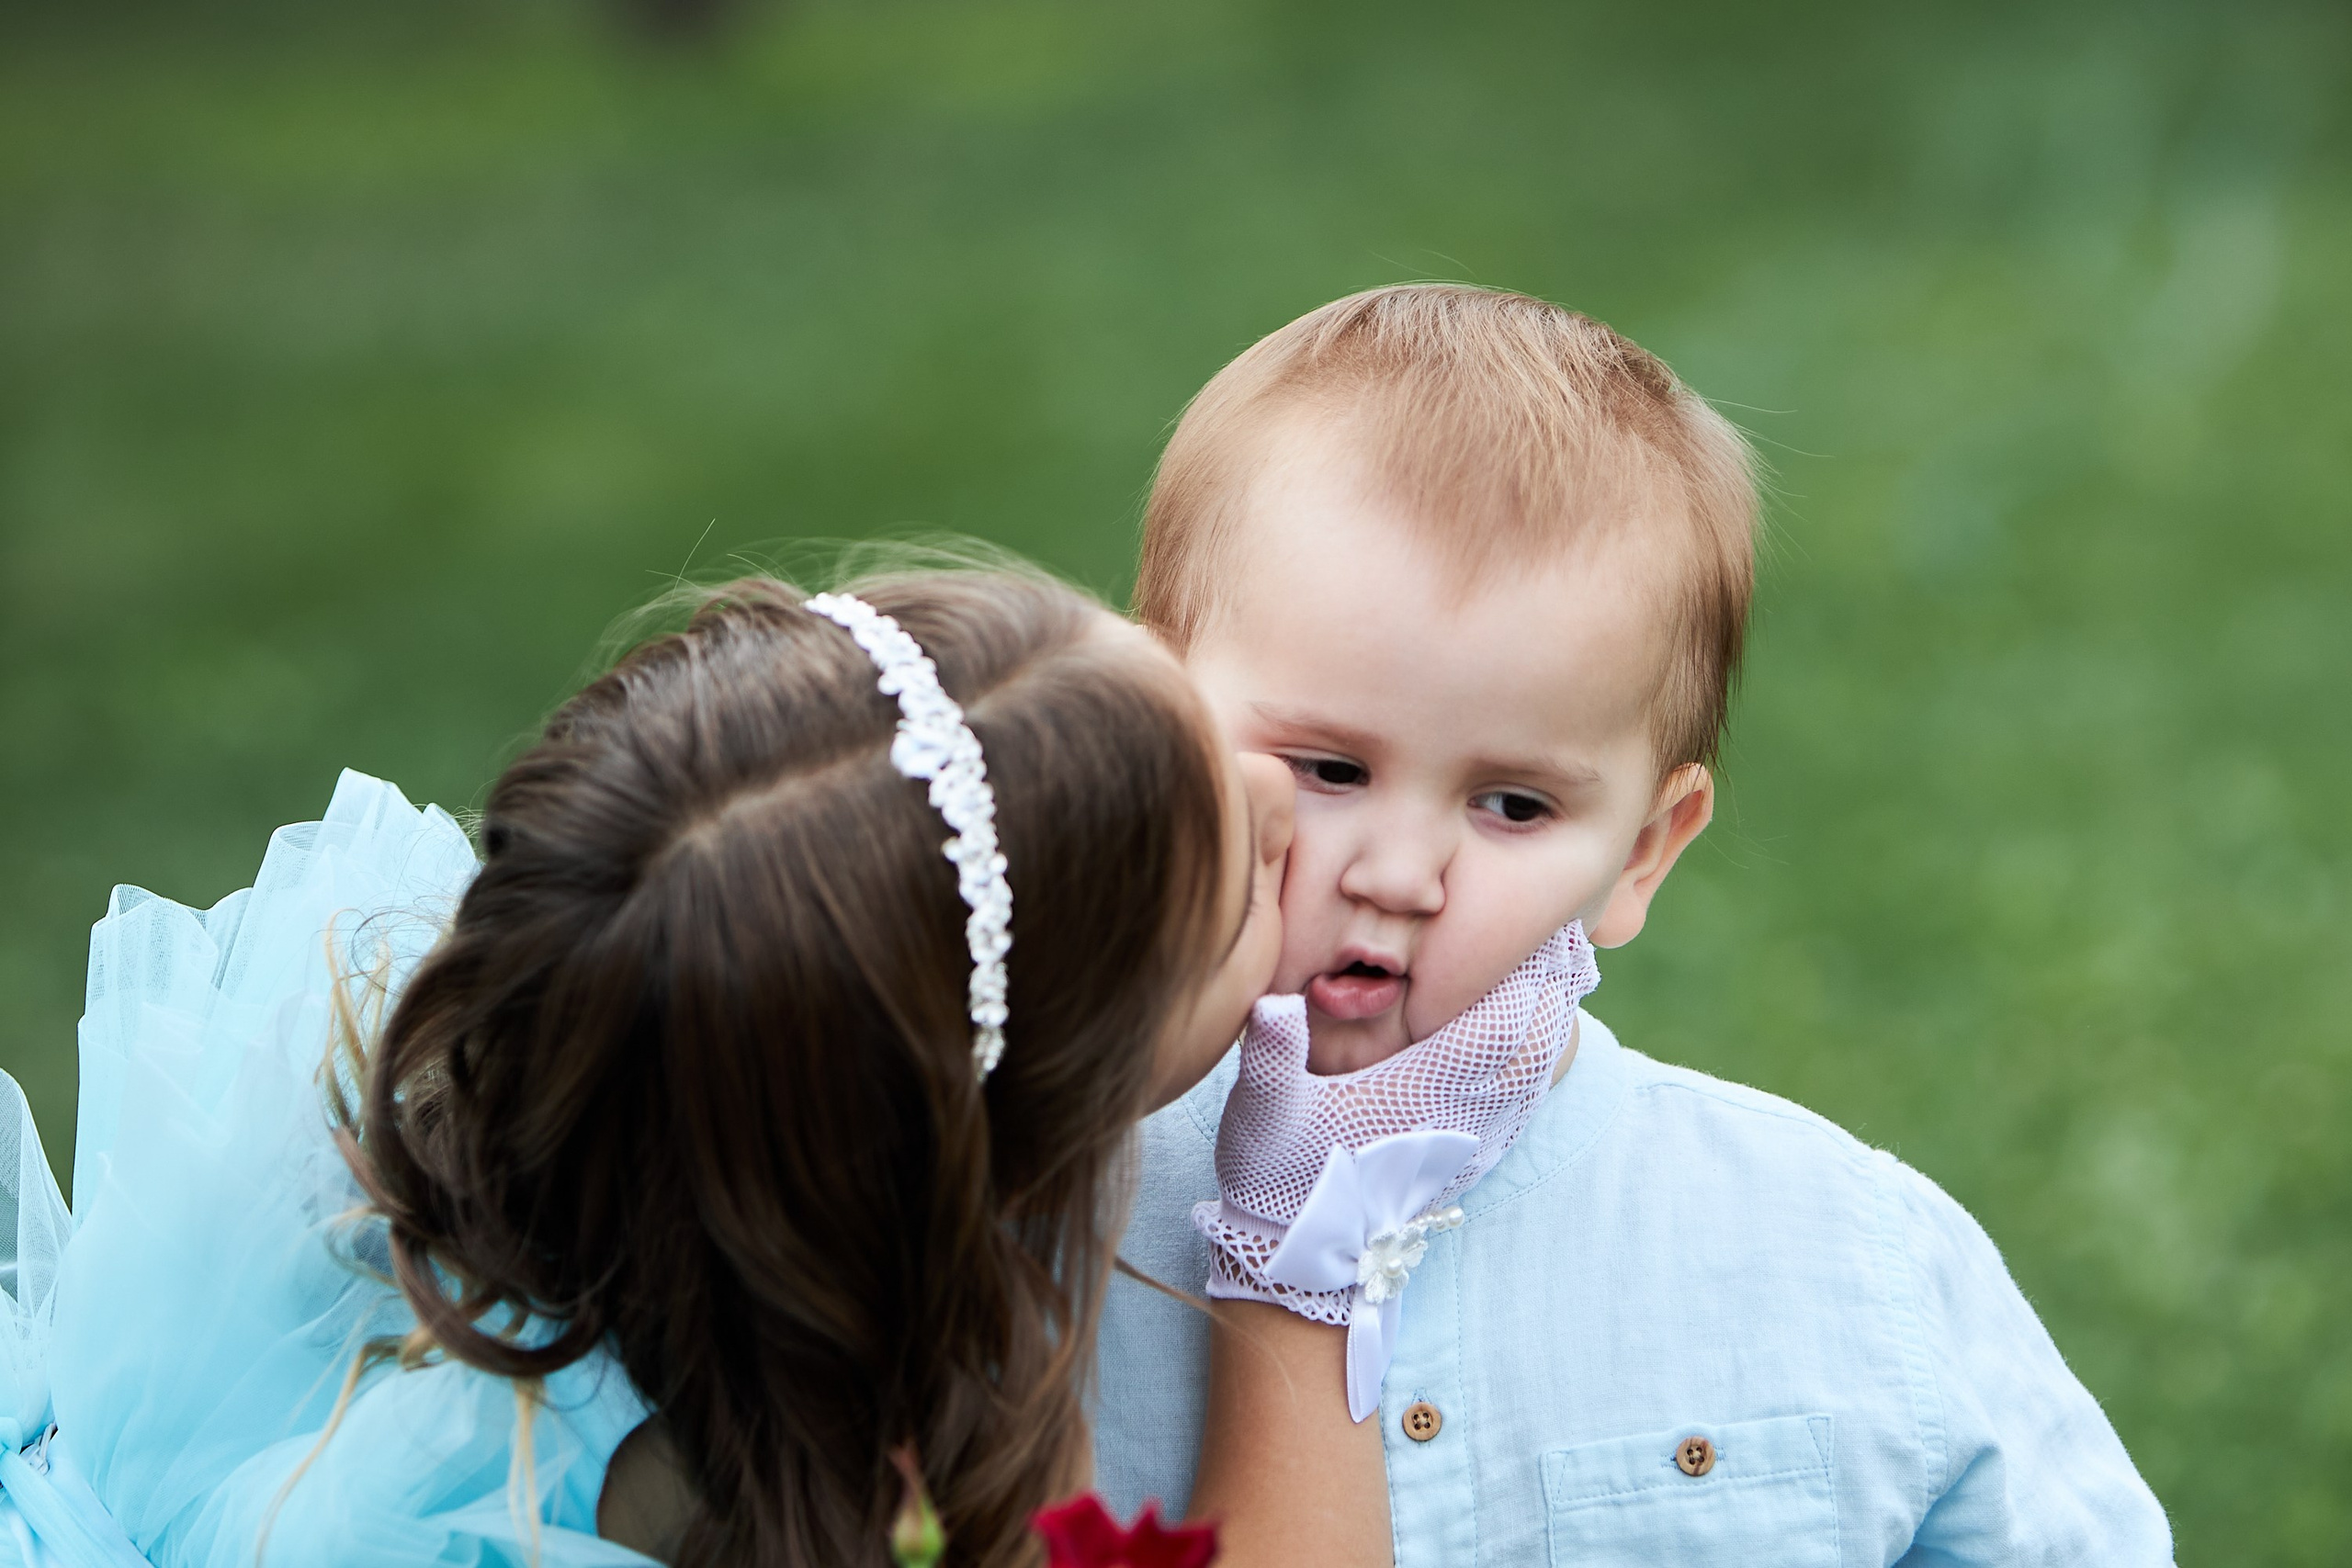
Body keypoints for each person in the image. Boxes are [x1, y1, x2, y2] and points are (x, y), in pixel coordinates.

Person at [0, 570, 1390, 1567]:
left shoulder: (683, 1050)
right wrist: (1307, 1255)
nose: (1288, 793)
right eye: (1246, 895)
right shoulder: (640, 1513)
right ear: (1018, 1112)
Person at [1095, 285, 2175, 1564]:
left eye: (1512, 803)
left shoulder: (1831, 1251)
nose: (1399, 874)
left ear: (1641, 855)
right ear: (1148, 724)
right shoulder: (1037, 1219)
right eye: (1330, 770)